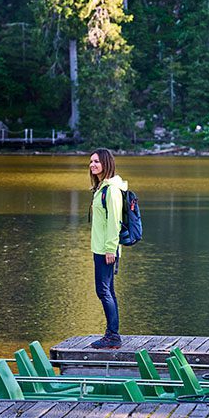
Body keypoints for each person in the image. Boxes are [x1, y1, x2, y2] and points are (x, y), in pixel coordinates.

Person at [87, 148, 127, 349]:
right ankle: (112, 333)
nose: (92, 165)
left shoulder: (111, 190)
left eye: (97, 161)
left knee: (103, 291)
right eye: (91, 161)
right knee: (107, 290)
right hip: (101, 248)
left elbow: (114, 222)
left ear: (106, 163)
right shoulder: (103, 187)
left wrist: (111, 248)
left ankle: (112, 335)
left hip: (106, 250)